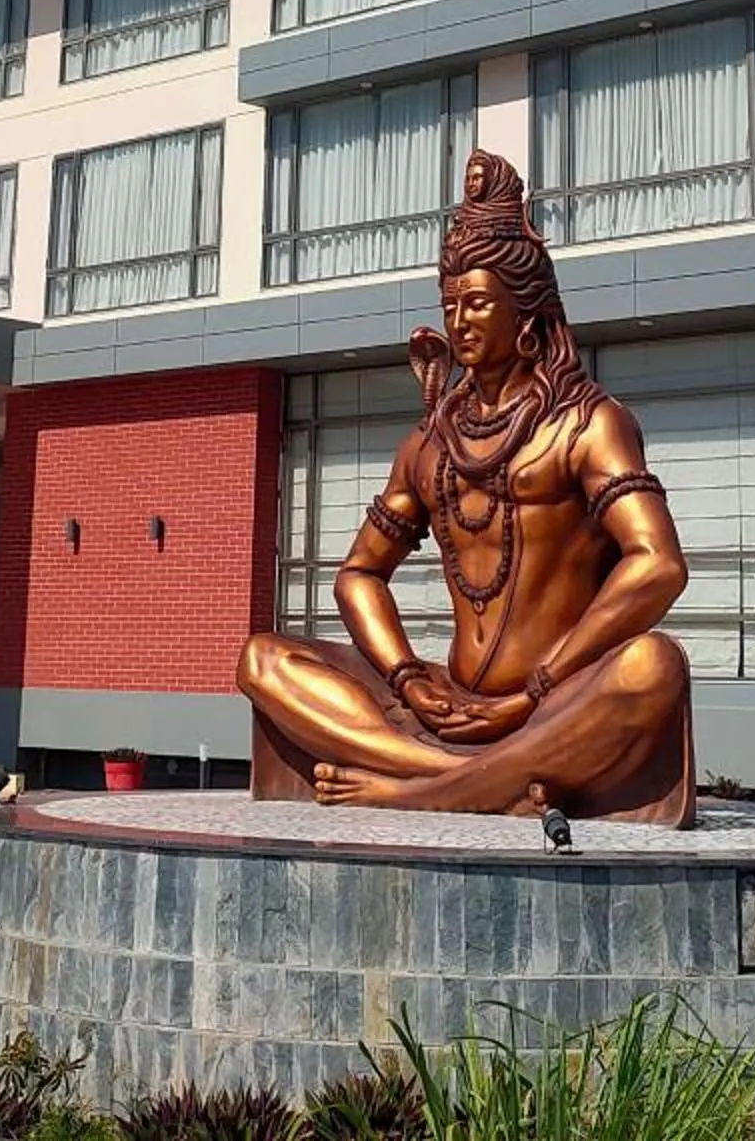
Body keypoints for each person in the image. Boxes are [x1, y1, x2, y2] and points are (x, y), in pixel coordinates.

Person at [237, 151, 695, 823]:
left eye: (478, 302)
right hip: (444, 702)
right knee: (263, 659)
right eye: (451, 306)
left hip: (553, 698)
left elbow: (658, 565)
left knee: (652, 667)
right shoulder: (430, 443)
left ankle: (413, 789)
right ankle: (466, 778)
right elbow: (359, 575)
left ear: (528, 314)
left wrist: (538, 688)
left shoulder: (589, 424)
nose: (461, 321)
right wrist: (406, 678)